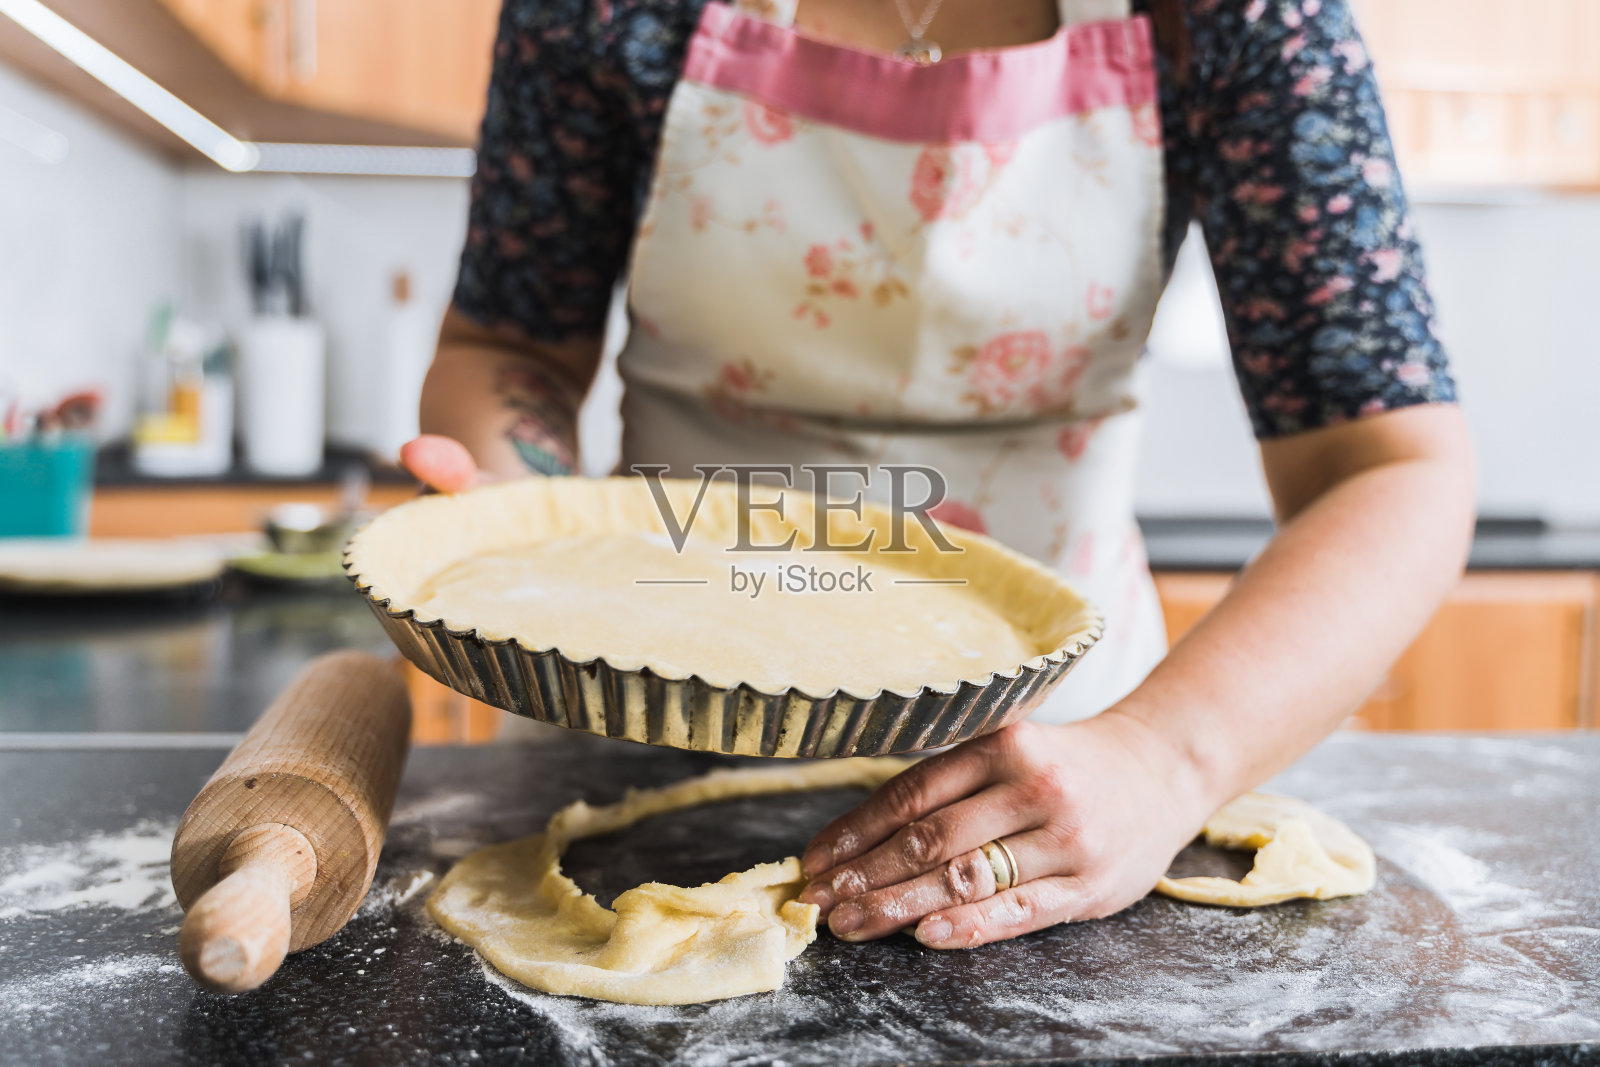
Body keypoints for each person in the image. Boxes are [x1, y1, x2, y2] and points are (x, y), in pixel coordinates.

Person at [402, 0, 1473, 951]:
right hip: (631, 723)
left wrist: (1162, 758)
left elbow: (1390, 467)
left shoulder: (1244, 18)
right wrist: (514, 500)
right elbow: (513, 349)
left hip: (1055, 785)